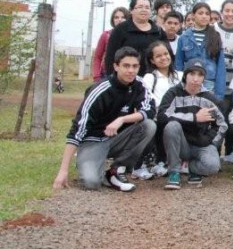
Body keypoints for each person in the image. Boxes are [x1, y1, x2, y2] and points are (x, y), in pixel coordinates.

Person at [53, 46, 156, 192]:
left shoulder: (140, 84)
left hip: (117, 137)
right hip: (93, 141)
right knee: (92, 183)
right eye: (126, 66)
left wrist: (122, 119)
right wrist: (63, 171)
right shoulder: (100, 90)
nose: (131, 71)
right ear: (116, 66)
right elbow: (77, 129)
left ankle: (115, 170)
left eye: (135, 66)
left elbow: (149, 110)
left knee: (148, 125)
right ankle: (88, 162)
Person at [158, 58, 227, 189]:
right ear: (185, 75)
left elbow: (222, 124)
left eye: (200, 75)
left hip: (201, 144)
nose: (196, 79)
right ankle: (174, 172)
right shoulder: (173, 93)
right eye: (192, 74)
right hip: (180, 143)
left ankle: (189, 168)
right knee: (172, 126)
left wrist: (211, 141)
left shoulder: (210, 98)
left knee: (213, 166)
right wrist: (194, 118)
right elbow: (162, 116)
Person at [139, 41, 182, 179]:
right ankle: (141, 165)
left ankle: (163, 162)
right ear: (152, 60)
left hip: (177, 116)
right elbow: (148, 99)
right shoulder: (150, 77)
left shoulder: (179, 76)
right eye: (158, 56)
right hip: (157, 116)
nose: (163, 58)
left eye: (166, 54)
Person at [104, 0, 167, 76]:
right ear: (131, 10)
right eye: (140, 7)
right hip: (126, 77)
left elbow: (167, 54)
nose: (144, 10)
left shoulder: (158, 31)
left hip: (153, 78)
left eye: (147, 7)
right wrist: (113, 78)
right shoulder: (120, 29)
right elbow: (110, 57)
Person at [174, 3, 226, 100]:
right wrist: (179, 85)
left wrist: (219, 93)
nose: (204, 16)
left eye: (207, 14)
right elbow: (179, 64)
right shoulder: (184, 37)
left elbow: (221, 65)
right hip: (190, 81)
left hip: (209, 82)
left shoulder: (215, 36)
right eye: (200, 13)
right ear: (193, 16)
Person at [215, 0, 233, 108]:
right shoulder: (212, 30)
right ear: (221, 13)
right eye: (227, 11)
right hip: (216, 88)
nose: (230, 14)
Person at [92, 6, 128, 82]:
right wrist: (96, 76)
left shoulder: (132, 36)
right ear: (113, 20)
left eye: (123, 17)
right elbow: (97, 57)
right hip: (106, 74)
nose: (119, 20)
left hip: (127, 74)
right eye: (116, 17)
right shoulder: (106, 35)